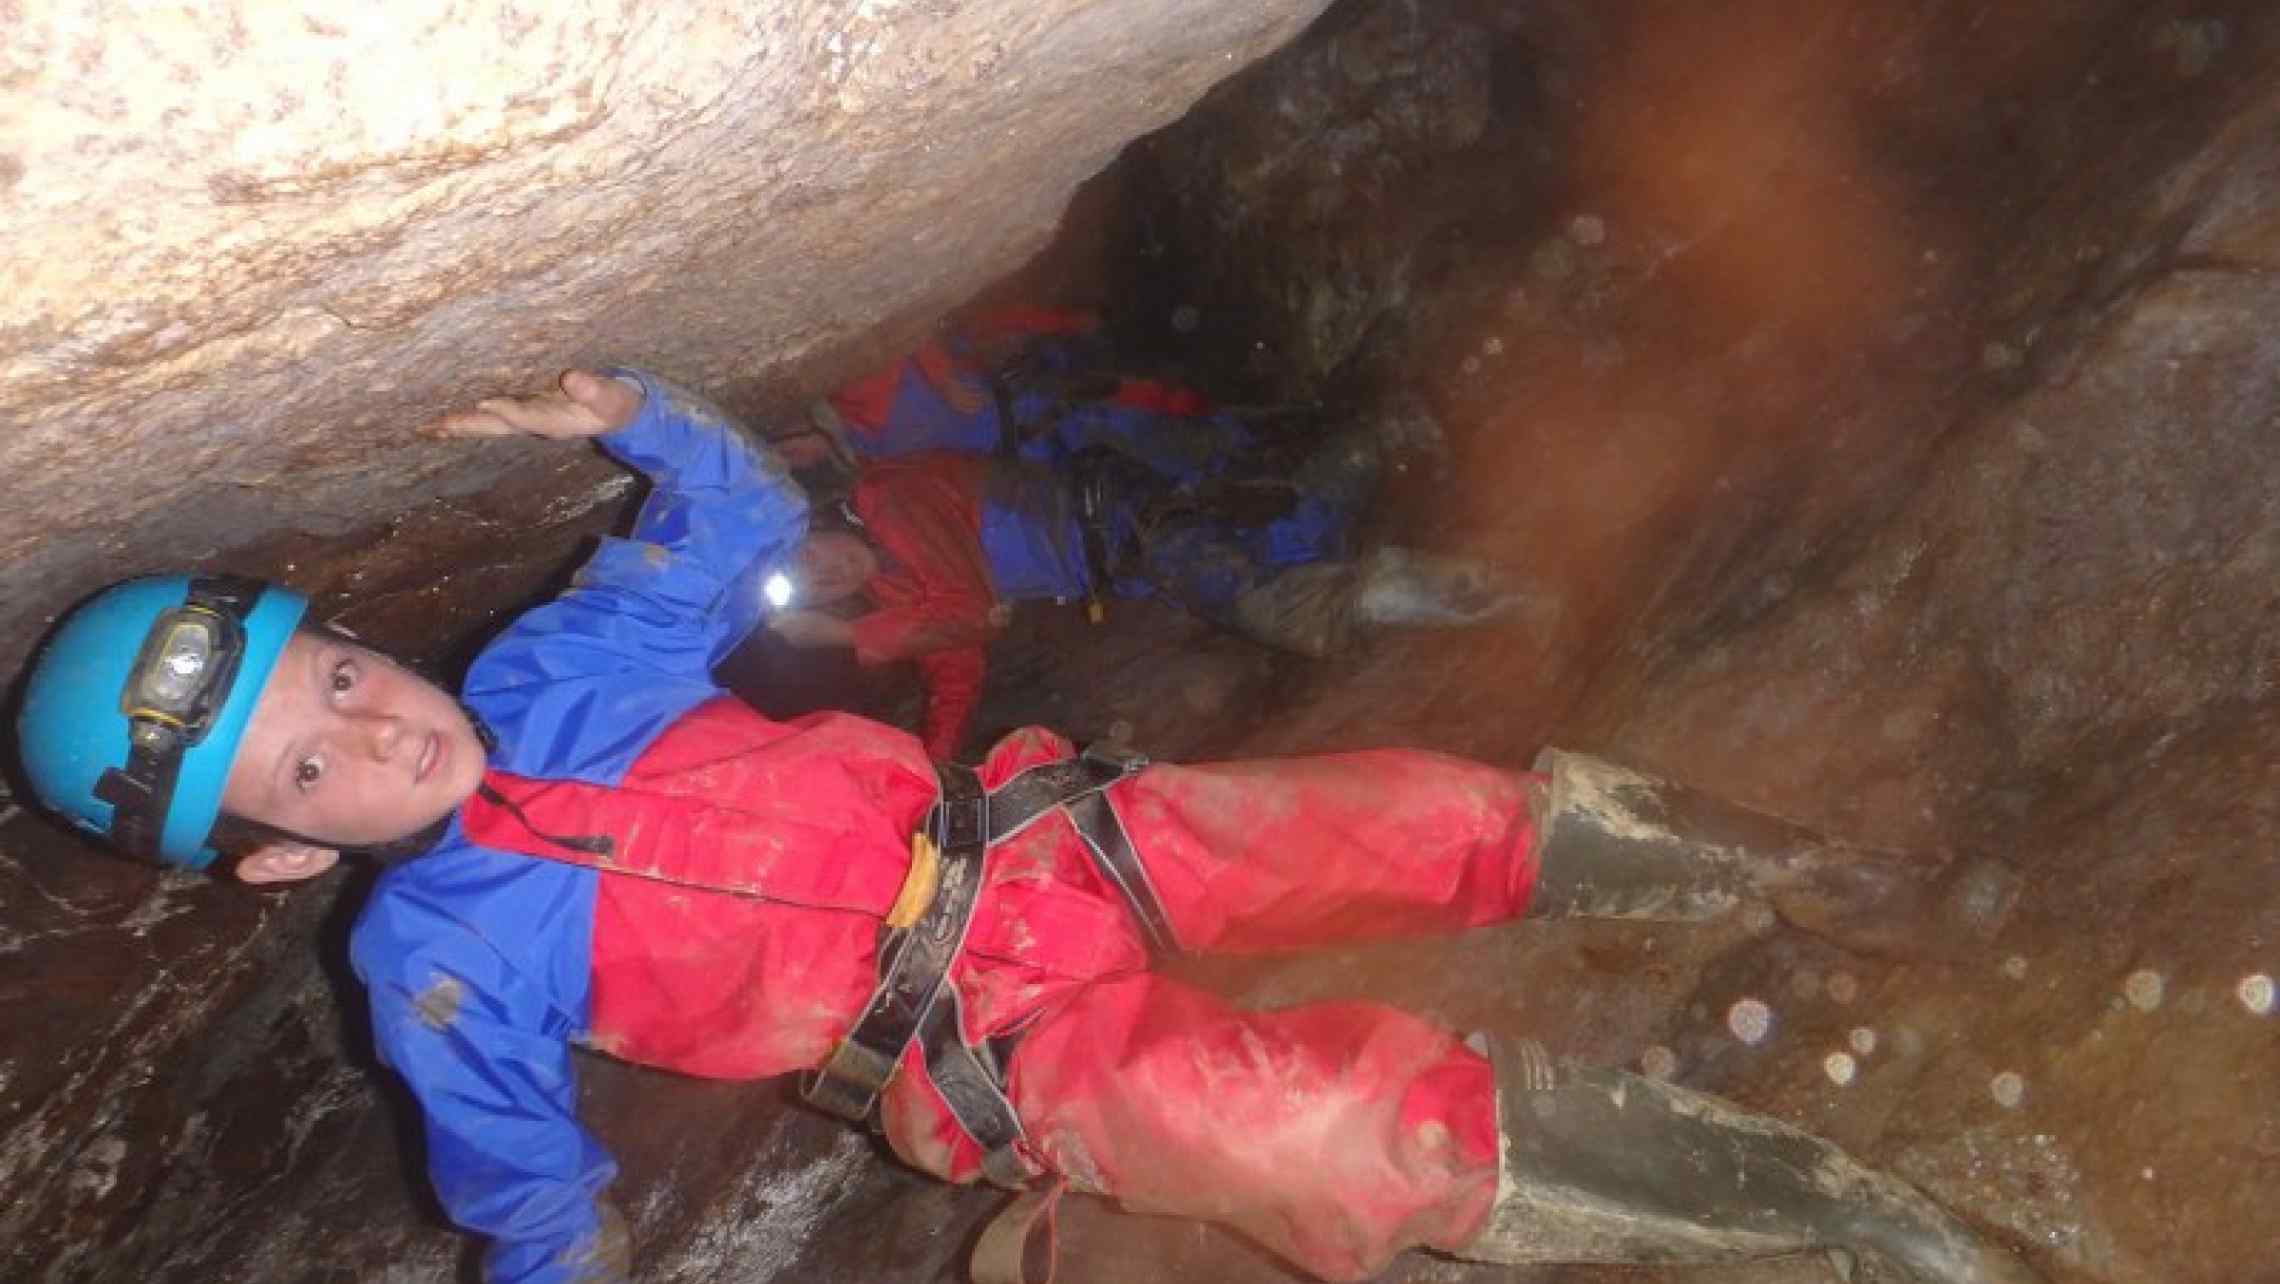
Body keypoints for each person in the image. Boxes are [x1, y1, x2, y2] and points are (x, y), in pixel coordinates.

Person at [13, 367, 2041, 1284]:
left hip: (1058, 840)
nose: (369, 736)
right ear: (281, 856)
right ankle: (1844, 1224)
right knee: (1321, 1137)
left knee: (1415, 814)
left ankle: (1804, 878)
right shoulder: (430, 963)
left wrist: (626, 414)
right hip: (981, 1051)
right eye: (302, 771)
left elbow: (723, 526)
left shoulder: (557, 673)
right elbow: (526, 1194)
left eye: (339, 679)